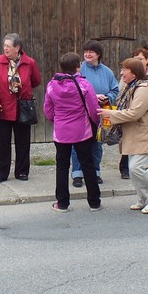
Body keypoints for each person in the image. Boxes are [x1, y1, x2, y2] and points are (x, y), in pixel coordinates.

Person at [98, 57, 148, 214]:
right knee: (134, 169)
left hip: (147, 134)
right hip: (137, 134)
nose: (121, 73)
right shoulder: (130, 87)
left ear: (134, 73)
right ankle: (143, 199)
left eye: (124, 70)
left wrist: (110, 114)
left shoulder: (143, 89)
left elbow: (134, 113)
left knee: (137, 168)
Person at [44, 52, 102, 212]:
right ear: (78, 66)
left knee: (62, 166)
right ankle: (94, 202)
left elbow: (47, 109)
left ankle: (62, 203)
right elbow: (93, 108)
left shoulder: (51, 85)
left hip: (61, 132)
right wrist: (96, 123)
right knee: (87, 164)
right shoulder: (84, 84)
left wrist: (56, 121)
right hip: (81, 131)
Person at [0, 33, 42, 182]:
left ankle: (22, 171)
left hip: (22, 107)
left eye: (8, 46)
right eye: (4, 46)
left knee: (23, 142)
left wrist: (23, 88)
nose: (5, 48)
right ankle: (1, 173)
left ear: (17, 48)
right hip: (3, 108)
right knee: (3, 142)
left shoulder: (29, 63)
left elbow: (36, 80)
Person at [71, 40, 119, 188]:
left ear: (98, 54)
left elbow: (115, 90)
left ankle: (95, 172)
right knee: (78, 144)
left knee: (97, 144)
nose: (87, 54)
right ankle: (77, 174)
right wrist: (92, 96)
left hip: (100, 113)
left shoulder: (107, 72)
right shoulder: (78, 70)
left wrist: (107, 97)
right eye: (85, 51)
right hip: (81, 114)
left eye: (91, 51)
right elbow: (73, 89)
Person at [119, 48, 148, 177]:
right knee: (134, 163)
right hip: (133, 122)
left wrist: (111, 115)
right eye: (136, 58)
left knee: (137, 167)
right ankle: (125, 170)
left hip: (147, 120)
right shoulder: (128, 82)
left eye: (140, 59)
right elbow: (121, 94)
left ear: (146, 61)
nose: (138, 61)